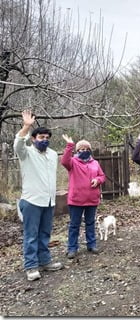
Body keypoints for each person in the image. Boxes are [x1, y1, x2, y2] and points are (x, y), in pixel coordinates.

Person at [14, 110, 64, 281]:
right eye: (41, 137)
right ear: (34, 139)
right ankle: (31, 266)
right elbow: (17, 145)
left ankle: (45, 261)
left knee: (45, 233)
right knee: (31, 234)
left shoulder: (52, 154)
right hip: (31, 200)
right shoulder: (26, 153)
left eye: (47, 138)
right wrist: (26, 126)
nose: (44, 140)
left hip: (48, 201)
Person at [61, 135, 106, 259]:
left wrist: (97, 180)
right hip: (76, 200)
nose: (84, 151)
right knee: (74, 225)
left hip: (92, 199)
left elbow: (102, 176)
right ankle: (72, 248)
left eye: (87, 148)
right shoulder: (73, 162)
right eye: (81, 149)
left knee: (90, 223)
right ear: (77, 150)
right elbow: (64, 161)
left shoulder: (95, 163)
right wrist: (69, 145)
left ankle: (91, 244)